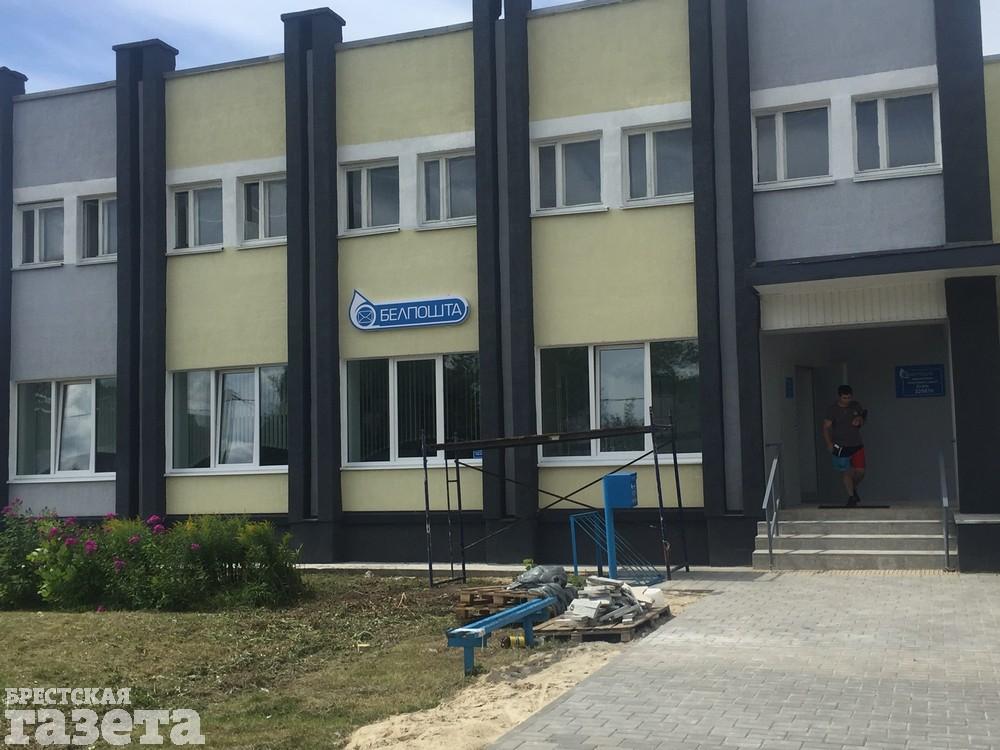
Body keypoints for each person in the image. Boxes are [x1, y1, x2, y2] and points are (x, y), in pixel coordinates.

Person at [822, 384, 867, 507]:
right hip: (840, 445)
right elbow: (826, 427)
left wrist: (859, 420)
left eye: (849, 398)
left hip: (856, 443)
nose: (847, 400)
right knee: (846, 471)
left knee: (861, 472)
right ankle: (852, 497)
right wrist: (829, 443)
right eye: (844, 398)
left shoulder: (856, 405)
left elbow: (862, 418)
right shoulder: (833, 410)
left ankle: (852, 488)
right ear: (839, 397)